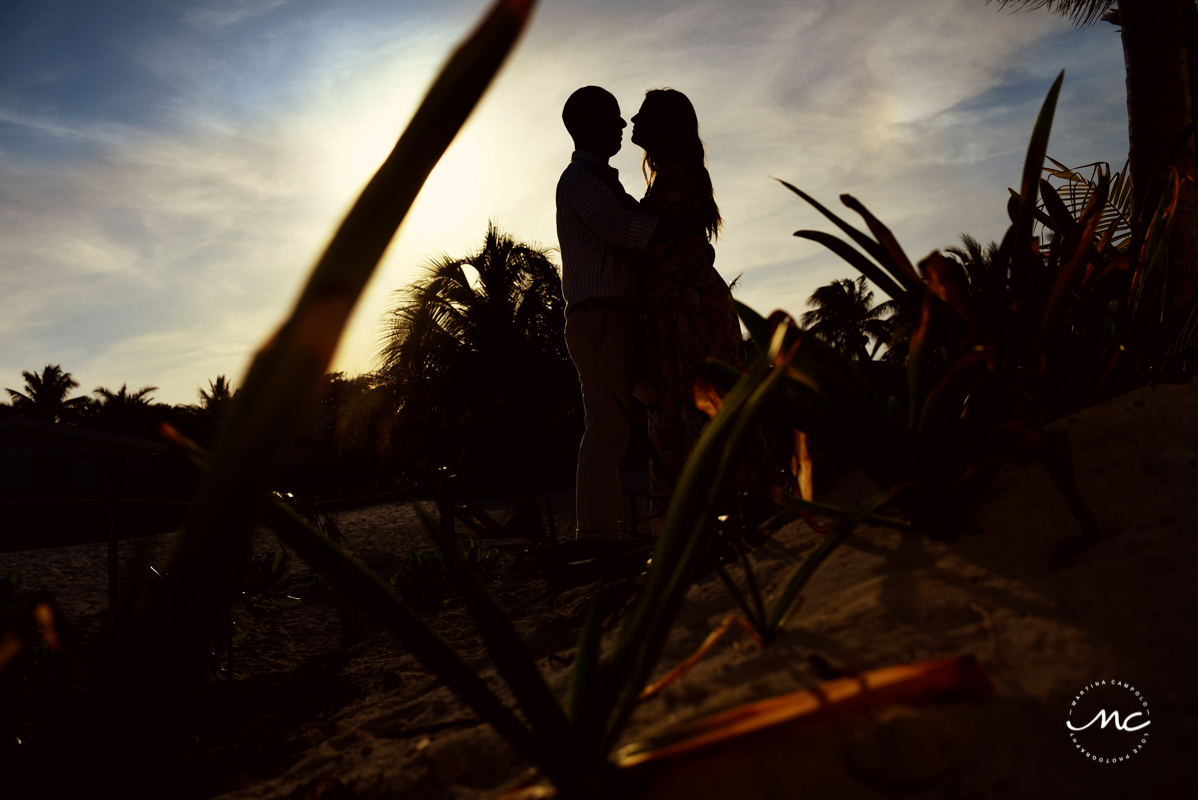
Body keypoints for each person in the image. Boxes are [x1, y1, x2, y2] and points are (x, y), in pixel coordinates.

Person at [631, 88, 777, 526]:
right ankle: (726, 502)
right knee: (699, 396)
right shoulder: (675, 175)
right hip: (685, 300)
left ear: (661, 127)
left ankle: (720, 505)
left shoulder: (676, 174)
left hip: (686, 303)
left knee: (697, 395)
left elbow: (654, 238)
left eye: (642, 115)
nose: (632, 120)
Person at [556, 86, 674, 541]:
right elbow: (626, 230)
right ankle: (599, 534)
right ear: (586, 126)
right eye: (613, 118)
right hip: (600, 318)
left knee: (617, 426)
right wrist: (678, 226)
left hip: (614, 318)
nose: (623, 126)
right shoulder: (581, 181)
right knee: (607, 429)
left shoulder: (602, 180)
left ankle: (607, 529)